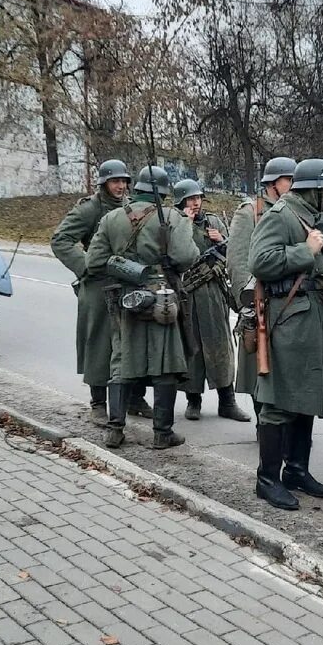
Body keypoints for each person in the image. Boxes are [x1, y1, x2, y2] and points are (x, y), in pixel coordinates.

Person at [248, 158, 323, 510]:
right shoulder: (281, 215)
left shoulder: (313, 217)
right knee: (278, 402)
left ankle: (296, 470)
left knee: (306, 395)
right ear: (315, 190)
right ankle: (267, 478)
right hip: (289, 320)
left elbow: (321, 269)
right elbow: (259, 262)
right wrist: (304, 250)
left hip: (314, 317)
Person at [84, 165, 200, 449]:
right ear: (163, 192)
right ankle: (162, 433)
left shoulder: (111, 218)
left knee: (121, 361)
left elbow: (94, 263)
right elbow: (187, 256)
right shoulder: (172, 216)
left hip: (123, 298)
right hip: (162, 297)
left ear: (136, 189)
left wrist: (127, 268)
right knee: (165, 364)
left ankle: (115, 430)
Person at [51, 160, 152, 425]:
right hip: (97, 284)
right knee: (98, 342)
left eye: (124, 181)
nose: (120, 186)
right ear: (103, 183)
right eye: (115, 181)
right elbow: (60, 239)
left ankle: (133, 398)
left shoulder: (131, 206)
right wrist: (85, 267)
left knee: (133, 341)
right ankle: (98, 402)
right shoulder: (90, 208)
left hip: (127, 281)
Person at [172, 179, 251, 422]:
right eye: (190, 199)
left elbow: (233, 252)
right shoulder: (175, 224)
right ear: (181, 202)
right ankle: (193, 400)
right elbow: (175, 254)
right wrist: (184, 224)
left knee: (221, 346)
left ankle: (227, 401)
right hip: (188, 296)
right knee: (192, 348)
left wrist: (220, 240)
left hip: (214, 293)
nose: (195, 203)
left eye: (198, 198)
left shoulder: (214, 222)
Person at [227, 157, 295, 410]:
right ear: (274, 183)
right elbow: (237, 260)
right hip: (259, 301)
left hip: (289, 301)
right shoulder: (250, 212)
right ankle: (264, 427)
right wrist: (245, 303)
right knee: (260, 367)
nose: (294, 185)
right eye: (290, 179)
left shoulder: (294, 211)